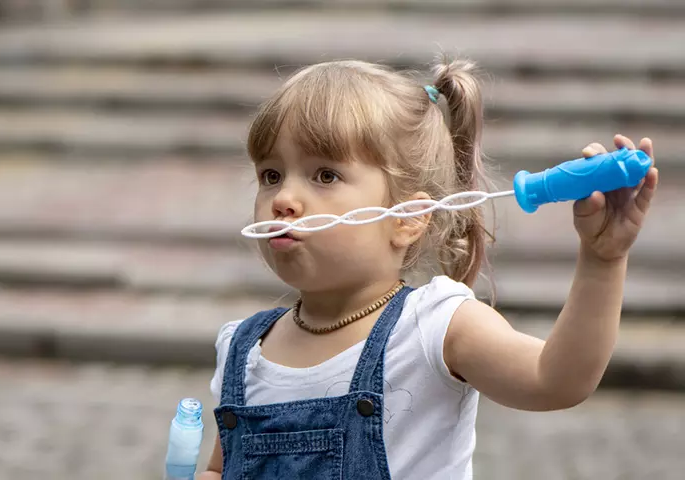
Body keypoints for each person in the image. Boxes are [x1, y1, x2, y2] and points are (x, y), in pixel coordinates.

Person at [197, 56, 659, 479]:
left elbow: (556, 381)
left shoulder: (435, 325)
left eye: (325, 175)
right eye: (270, 175)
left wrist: (603, 260)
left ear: (408, 218)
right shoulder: (243, 348)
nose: (283, 200)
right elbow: (222, 468)